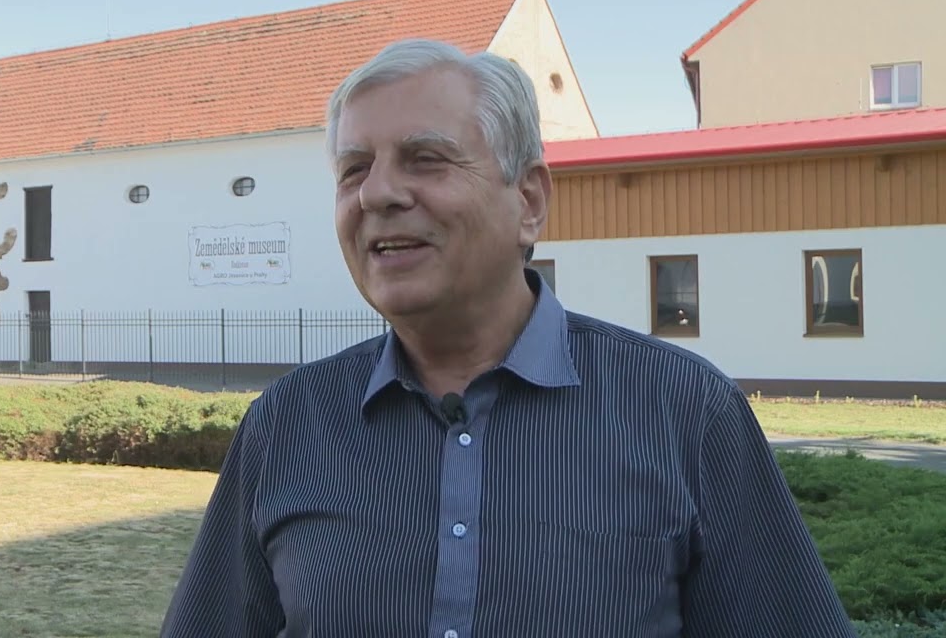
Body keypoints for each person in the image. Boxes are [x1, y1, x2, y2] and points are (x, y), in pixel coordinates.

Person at [159, 39, 857, 637]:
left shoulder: (685, 411)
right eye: (353, 169)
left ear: (528, 202)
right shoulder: (285, 426)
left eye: (425, 159)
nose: (377, 194)